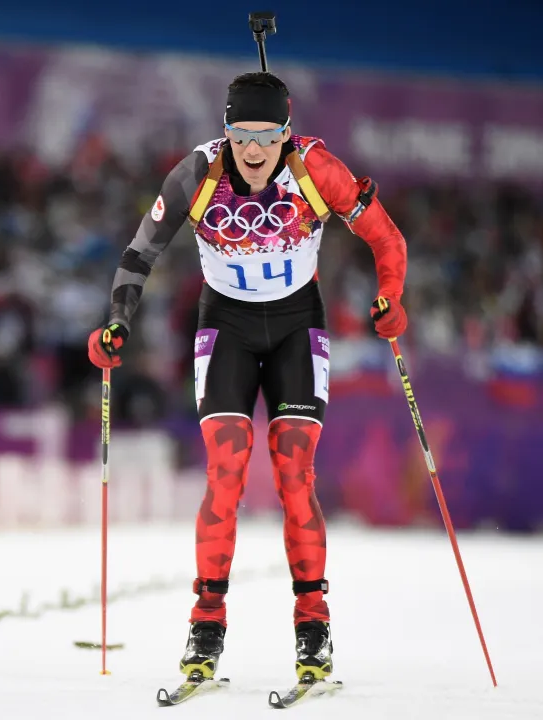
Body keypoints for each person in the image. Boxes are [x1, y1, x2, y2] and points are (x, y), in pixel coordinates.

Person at [87, 72, 408, 683]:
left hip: (296, 326)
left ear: (286, 134)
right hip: (226, 327)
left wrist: (391, 297)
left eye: (266, 137)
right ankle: (206, 624)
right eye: (240, 135)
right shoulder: (196, 173)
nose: (253, 150)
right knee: (226, 470)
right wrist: (118, 324)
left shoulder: (317, 170)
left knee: (294, 473)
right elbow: (139, 252)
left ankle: (313, 628)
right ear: (225, 130)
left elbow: (386, 237)